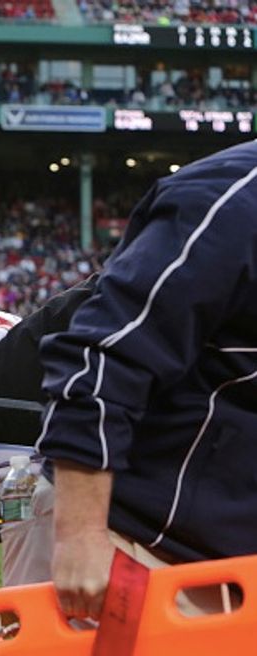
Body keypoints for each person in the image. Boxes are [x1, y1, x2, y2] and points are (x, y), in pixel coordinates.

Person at [35, 139, 257, 620]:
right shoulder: (234, 199)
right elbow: (102, 352)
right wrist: (81, 533)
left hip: (233, 558)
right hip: (136, 539)